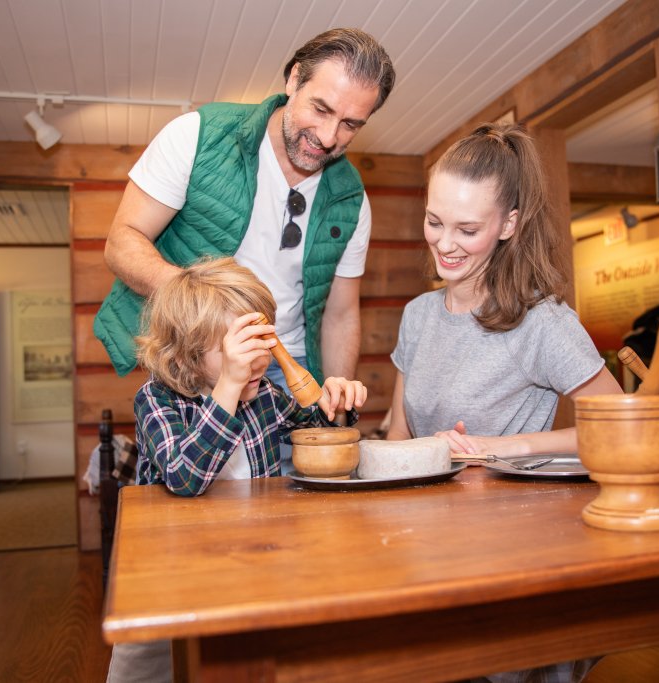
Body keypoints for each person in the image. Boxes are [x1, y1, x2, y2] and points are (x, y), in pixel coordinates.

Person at [387, 123, 622, 682]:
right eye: (434, 221)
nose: (444, 244)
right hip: (426, 554)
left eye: (467, 229)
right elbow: (397, 430)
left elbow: (616, 427)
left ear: (508, 225)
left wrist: (489, 450)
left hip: (514, 563)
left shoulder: (543, 322)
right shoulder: (418, 316)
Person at [94, 28, 395, 406]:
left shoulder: (351, 197)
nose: (329, 136)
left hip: (291, 369)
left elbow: (340, 313)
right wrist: (206, 303)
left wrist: (335, 391)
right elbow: (122, 242)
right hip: (193, 360)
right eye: (321, 109)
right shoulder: (198, 134)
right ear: (294, 78)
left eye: (351, 124)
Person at [106, 257, 366, 682]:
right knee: (149, 668)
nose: (256, 358)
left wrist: (337, 409)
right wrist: (227, 387)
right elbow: (184, 478)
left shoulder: (265, 395)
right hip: (168, 579)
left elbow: (316, 431)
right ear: (188, 353)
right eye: (238, 347)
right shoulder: (157, 400)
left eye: (262, 340)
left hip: (246, 568)